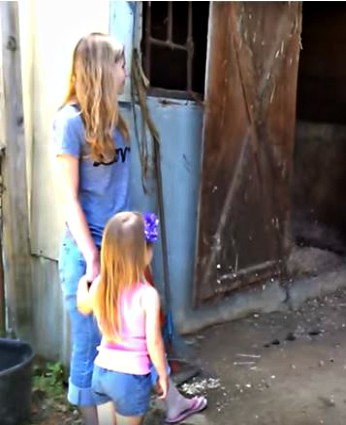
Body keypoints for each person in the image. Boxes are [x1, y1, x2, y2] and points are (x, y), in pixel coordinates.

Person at [54, 32, 206, 425]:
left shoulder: (117, 120)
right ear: (104, 71)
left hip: (121, 248)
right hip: (88, 250)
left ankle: (169, 399)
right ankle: (94, 420)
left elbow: (119, 197)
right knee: (90, 346)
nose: (126, 72)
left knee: (145, 327)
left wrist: (143, 239)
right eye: (121, 64)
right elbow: (70, 198)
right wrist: (92, 258)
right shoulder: (69, 123)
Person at [76, 212, 167, 424]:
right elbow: (154, 342)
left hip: (102, 372)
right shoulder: (148, 295)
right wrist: (162, 374)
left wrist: (83, 282)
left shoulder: (99, 285)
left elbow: (83, 307)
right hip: (130, 378)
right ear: (143, 254)